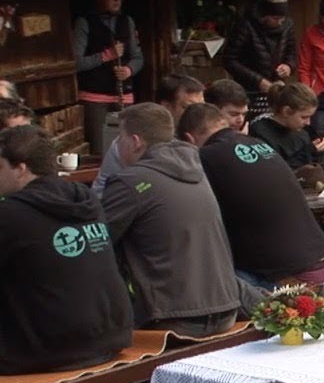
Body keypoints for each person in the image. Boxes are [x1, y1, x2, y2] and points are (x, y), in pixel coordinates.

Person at [100, 104, 241, 336]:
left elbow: (97, 242)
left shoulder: (130, 181)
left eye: (120, 138)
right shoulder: (198, 170)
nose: (117, 146)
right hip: (226, 309)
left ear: (135, 141)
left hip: (173, 318)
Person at [0, 126, 132, 374]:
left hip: (52, 349)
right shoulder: (86, 199)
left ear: (21, 168)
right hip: (112, 335)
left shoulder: (10, 215)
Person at [178, 104, 324, 293]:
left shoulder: (206, 156)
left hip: (289, 277)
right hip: (322, 259)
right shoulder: (257, 143)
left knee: (208, 282)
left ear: (189, 139)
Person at [92, 74, 205, 197]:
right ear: (166, 107)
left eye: (202, 107)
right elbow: (102, 191)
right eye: (188, 107)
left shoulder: (208, 135)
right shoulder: (131, 141)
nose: (198, 115)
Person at [73, 0, 144, 155]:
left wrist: (128, 70)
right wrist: (106, 56)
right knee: (100, 151)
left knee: (128, 150)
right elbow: (76, 63)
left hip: (124, 97)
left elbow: (138, 58)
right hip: (94, 97)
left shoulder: (127, 21)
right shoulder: (84, 22)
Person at [224, 0, 298, 119]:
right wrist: (258, 81)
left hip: (276, 87)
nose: (280, 21)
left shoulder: (287, 25)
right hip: (249, 89)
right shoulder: (245, 25)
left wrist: (288, 66)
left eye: (282, 18)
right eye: (275, 18)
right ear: (265, 15)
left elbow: (291, 53)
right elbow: (229, 59)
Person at [249, 82, 324, 170]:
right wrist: (306, 153)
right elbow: (274, 170)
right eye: (304, 117)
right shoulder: (260, 133)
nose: (308, 123)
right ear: (286, 111)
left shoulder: (302, 134)